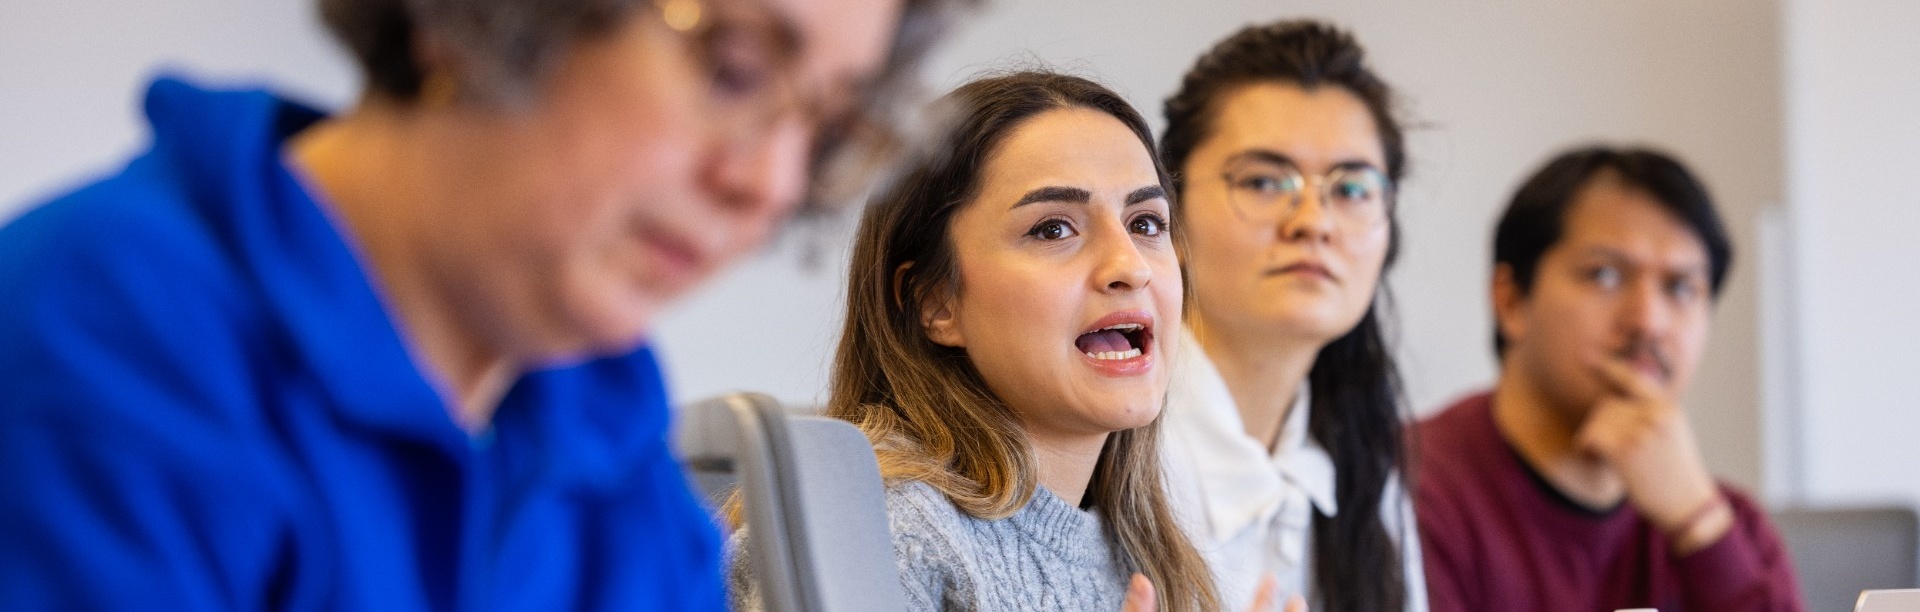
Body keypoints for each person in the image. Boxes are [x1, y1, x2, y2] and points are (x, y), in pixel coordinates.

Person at [0, 0, 963, 608]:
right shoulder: (108, 336)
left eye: (830, 128)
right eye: (738, 67)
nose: (770, 182)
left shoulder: (599, 418)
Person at [729, 71, 1247, 612]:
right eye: (1053, 229)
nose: (1130, 266)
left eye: (1145, 223)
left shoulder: (1155, 560)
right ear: (935, 303)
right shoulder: (882, 533)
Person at [1414, 146, 1804, 612]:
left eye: (1680, 287)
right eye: (1605, 276)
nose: (1648, 321)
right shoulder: (1408, 492)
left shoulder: (1728, 524)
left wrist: (1698, 527)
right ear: (1510, 300)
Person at [1154, 20, 1427, 612]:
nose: (1313, 220)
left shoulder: (1364, 476)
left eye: (1351, 188)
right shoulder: (1111, 446)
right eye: (1263, 181)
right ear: (1169, 213)